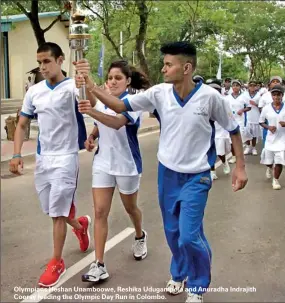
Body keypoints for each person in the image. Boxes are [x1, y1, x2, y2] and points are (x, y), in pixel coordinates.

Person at [75, 41, 248, 303]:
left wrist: (240, 168)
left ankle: (198, 286)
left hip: (197, 176)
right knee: (173, 232)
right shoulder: (159, 94)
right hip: (167, 174)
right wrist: (89, 83)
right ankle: (178, 273)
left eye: (168, 64)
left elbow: (233, 130)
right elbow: (119, 105)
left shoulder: (211, 98)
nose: (163, 68)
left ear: (186, 67)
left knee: (190, 234)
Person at [9, 42, 93, 288]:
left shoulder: (72, 87)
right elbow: (22, 124)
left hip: (66, 158)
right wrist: (16, 154)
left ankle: (56, 262)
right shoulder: (34, 91)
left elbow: (92, 104)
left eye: (47, 61)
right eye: (40, 62)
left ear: (60, 60)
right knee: (53, 209)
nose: (43, 67)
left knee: (57, 213)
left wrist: (86, 80)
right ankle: (80, 226)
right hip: (43, 158)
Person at [73, 60, 149, 283]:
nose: (113, 81)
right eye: (110, 78)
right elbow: (100, 114)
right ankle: (99, 264)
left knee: (130, 208)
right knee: (99, 212)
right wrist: (92, 136)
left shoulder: (133, 102)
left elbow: (116, 122)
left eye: (118, 78)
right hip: (103, 163)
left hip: (127, 165)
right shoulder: (105, 99)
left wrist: (92, 112)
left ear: (127, 81)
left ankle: (139, 235)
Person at [259, 84, 285, 190]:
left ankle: (275, 180)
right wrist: (268, 127)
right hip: (270, 139)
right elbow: (261, 122)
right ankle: (269, 168)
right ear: (271, 96)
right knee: (269, 161)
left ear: (282, 95)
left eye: (278, 95)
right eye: (274, 95)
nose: (276, 97)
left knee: (279, 160)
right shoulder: (266, 108)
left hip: (283, 139)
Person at [207, 82, 231, 180]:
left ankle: (224, 162)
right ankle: (212, 171)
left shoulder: (224, 101)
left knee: (220, 152)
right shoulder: (203, 101)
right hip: (209, 131)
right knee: (209, 152)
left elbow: (229, 116)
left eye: (216, 90)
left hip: (221, 130)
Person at [225, 79, 251, 164]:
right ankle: (233, 157)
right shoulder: (227, 98)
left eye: (237, 85)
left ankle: (240, 156)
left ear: (240, 87)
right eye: (234, 85)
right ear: (232, 87)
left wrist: (242, 110)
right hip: (230, 120)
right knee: (231, 140)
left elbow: (249, 107)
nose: (235, 87)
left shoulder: (244, 97)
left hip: (240, 120)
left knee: (239, 139)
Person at [243, 80, 261, 155]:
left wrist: (256, 104)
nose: (252, 87)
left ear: (256, 87)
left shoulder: (259, 95)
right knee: (246, 133)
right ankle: (247, 147)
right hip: (247, 116)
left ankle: (253, 148)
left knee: (254, 134)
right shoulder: (244, 94)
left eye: (254, 85)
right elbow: (242, 104)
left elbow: (261, 106)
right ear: (248, 87)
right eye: (251, 86)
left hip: (256, 116)